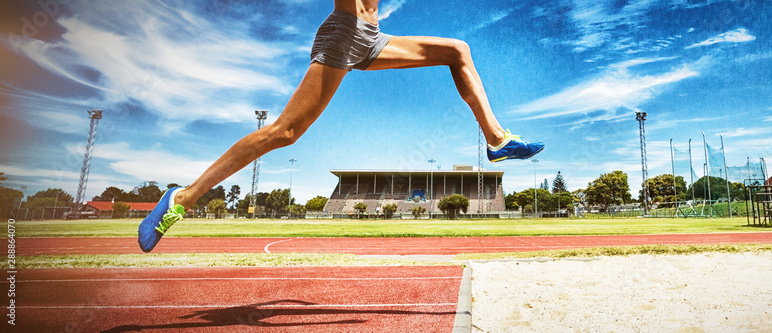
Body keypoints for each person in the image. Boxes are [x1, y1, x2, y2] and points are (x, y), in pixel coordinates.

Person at [137, 0, 544, 252]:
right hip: (343, 33)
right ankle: (184, 197)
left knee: (458, 50)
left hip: (371, 37)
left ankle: (496, 139)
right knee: (284, 132)